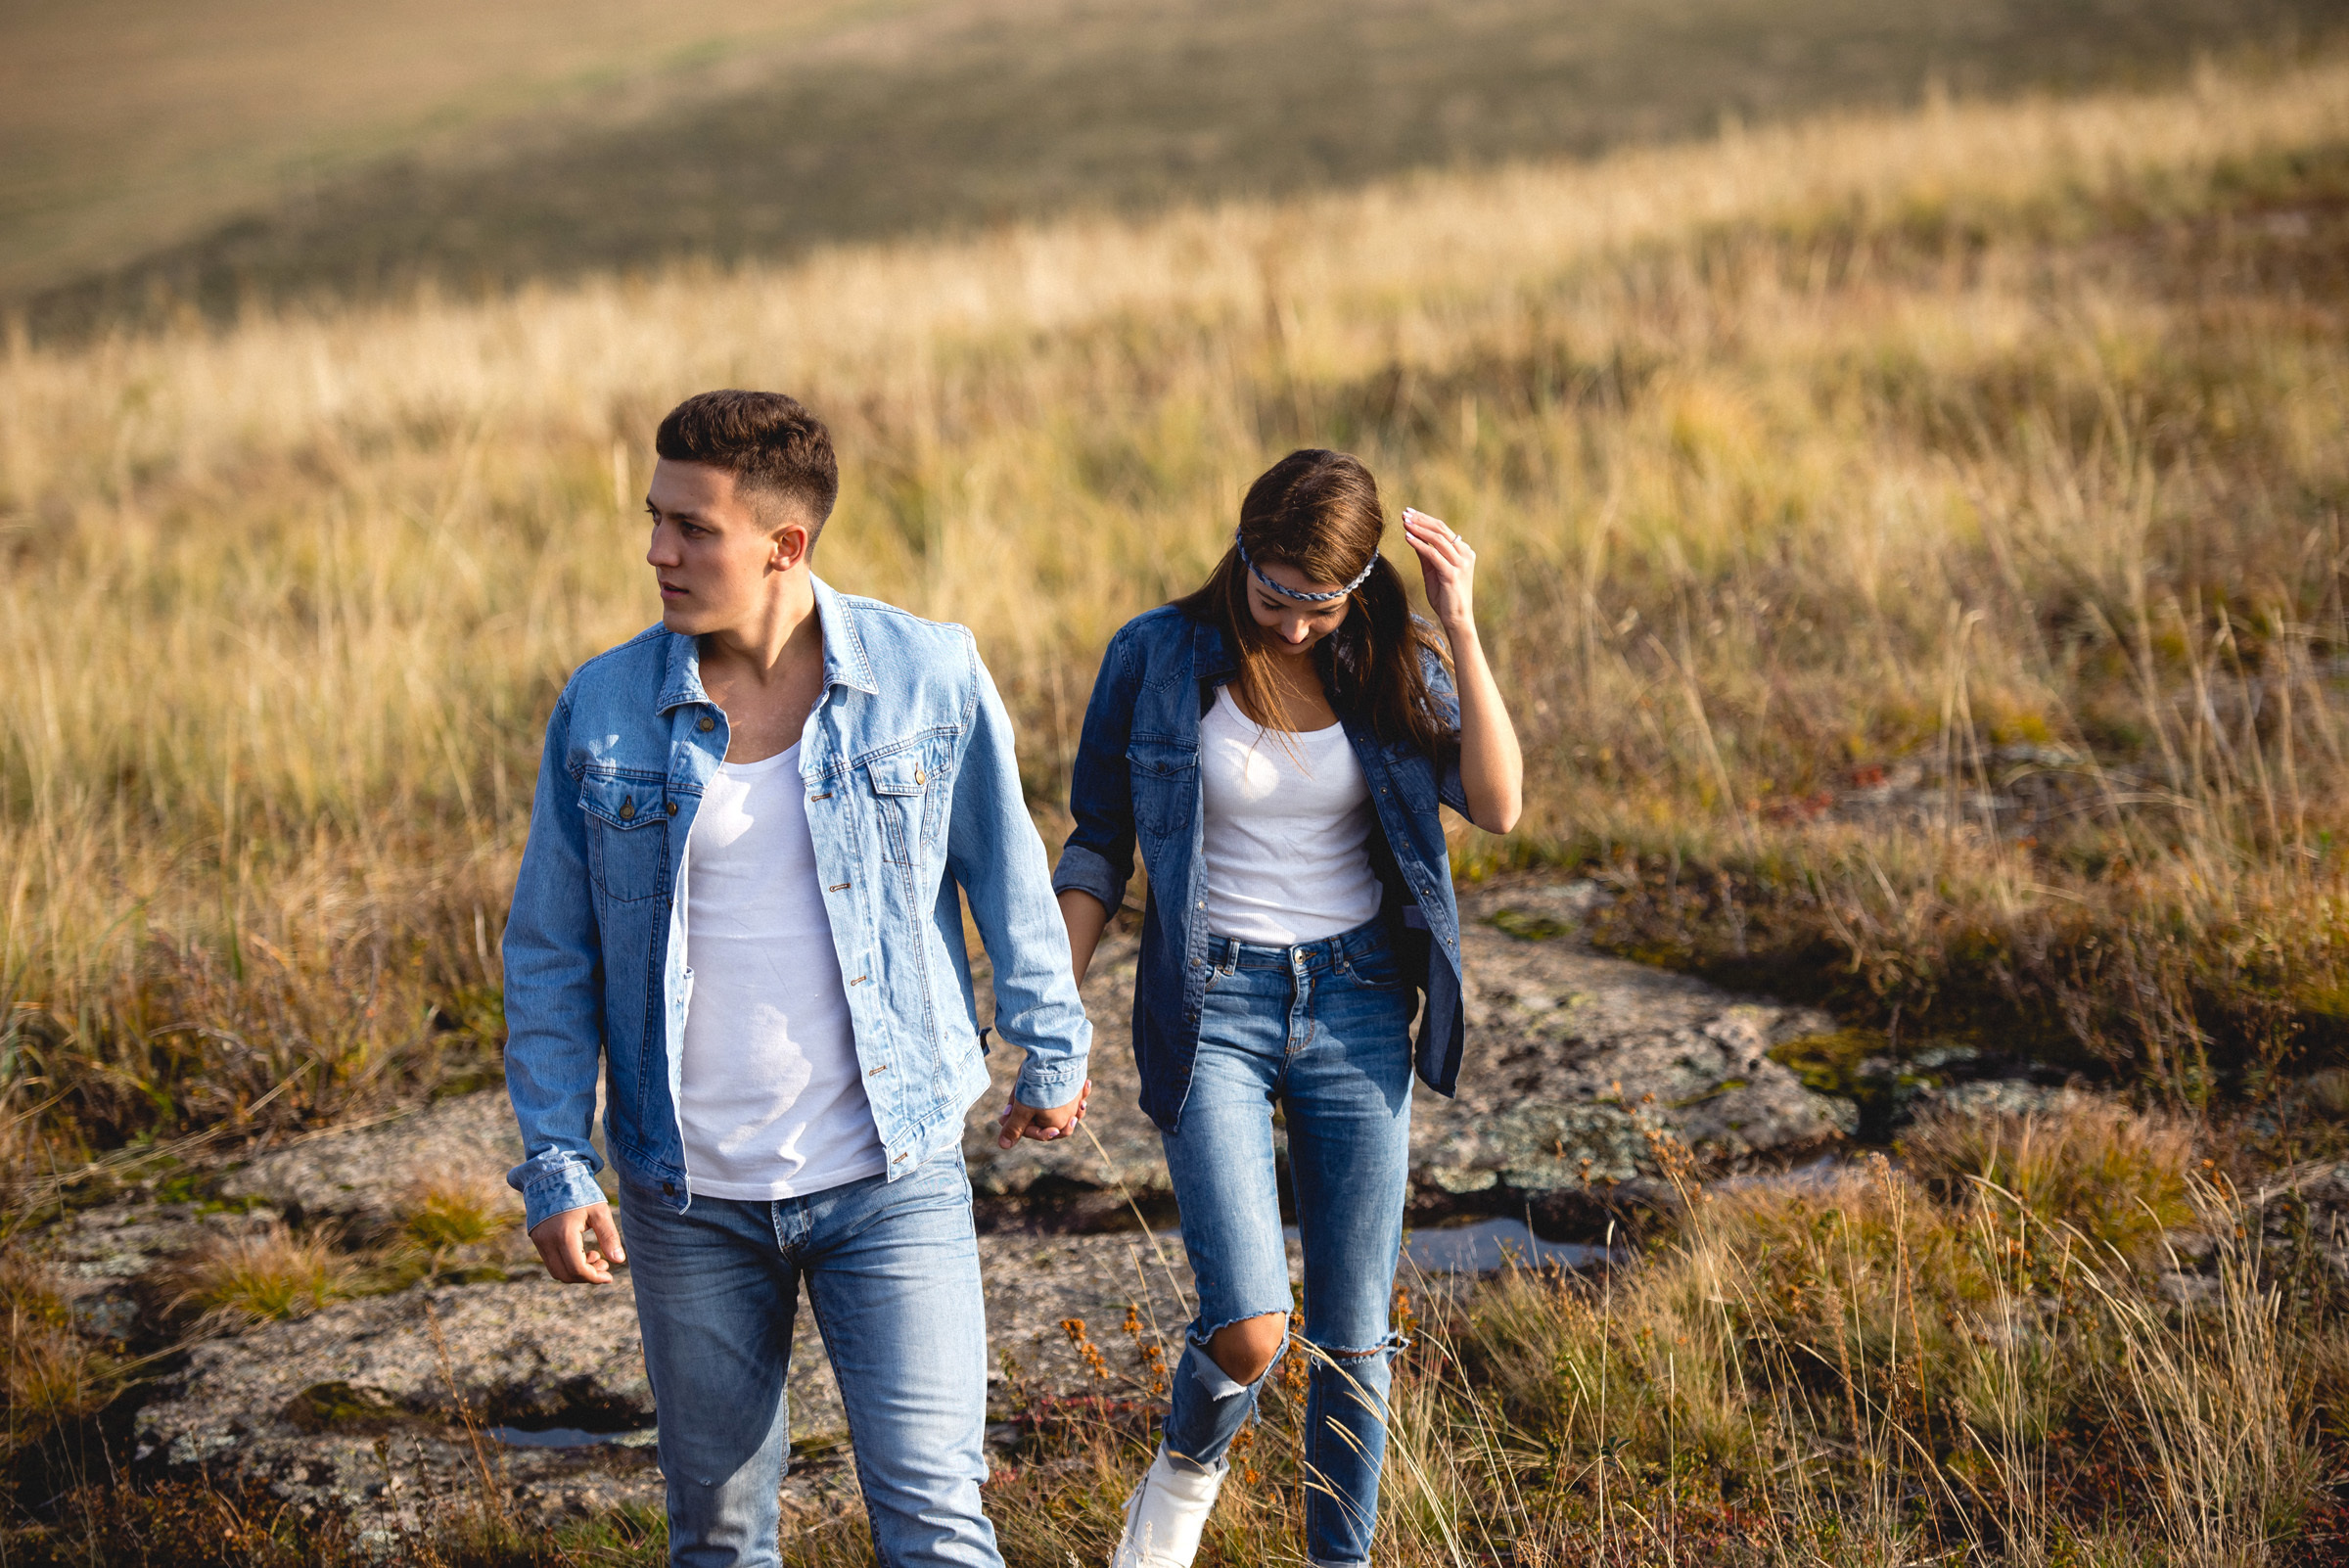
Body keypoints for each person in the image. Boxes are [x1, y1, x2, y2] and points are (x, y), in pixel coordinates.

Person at [501, 390, 1091, 1568]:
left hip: (892, 1168)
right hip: (689, 1199)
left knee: (935, 1521)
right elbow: (549, 956)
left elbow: (1007, 868)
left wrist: (1050, 1040)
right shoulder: (605, 706)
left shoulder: (927, 673)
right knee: (720, 1538)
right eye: (655, 518)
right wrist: (557, 1162)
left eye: (691, 528)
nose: (657, 551)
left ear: (786, 546)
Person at [1054, 449, 1522, 1568]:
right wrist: (1050, 1012)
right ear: (1242, 556)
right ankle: (1179, 1481)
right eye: (1276, 597)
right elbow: (1098, 843)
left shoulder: (1391, 658)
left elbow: (1498, 805)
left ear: (1359, 587)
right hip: (1211, 1000)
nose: (1298, 627)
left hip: (1358, 1002)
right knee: (1252, 1324)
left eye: (1325, 604)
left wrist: (1459, 621)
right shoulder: (1156, 655)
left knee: (1355, 1339)